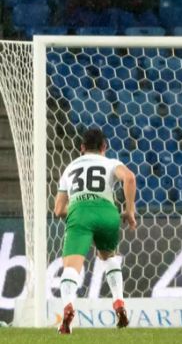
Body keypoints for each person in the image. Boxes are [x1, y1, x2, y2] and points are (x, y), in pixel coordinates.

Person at [55, 128, 137, 334]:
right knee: (109, 256)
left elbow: (58, 210)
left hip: (80, 212)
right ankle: (119, 301)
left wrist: (77, 217)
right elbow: (129, 178)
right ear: (104, 147)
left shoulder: (70, 168)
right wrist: (129, 211)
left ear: (82, 148)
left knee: (71, 267)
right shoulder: (110, 163)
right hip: (108, 213)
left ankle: (68, 308)